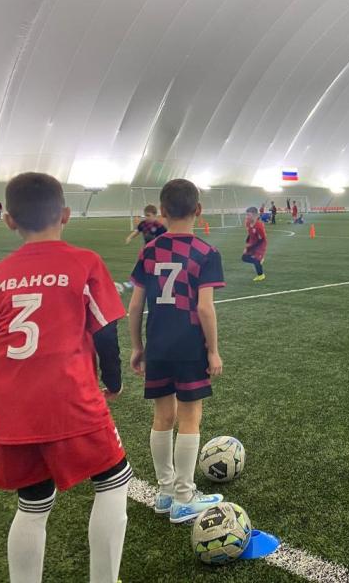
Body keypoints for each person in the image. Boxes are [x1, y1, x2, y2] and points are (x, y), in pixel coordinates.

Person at [0, 172, 130, 582]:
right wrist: (114, 381)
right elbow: (105, 331)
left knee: (32, 501)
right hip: (67, 395)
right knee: (113, 479)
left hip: (8, 404)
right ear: (65, 215)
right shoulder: (84, 262)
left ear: (9, 221)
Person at [128, 178, 225, 524]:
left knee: (162, 417)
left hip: (157, 344)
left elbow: (135, 306)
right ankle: (184, 497)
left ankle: (165, 492)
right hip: (189, 345)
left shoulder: (149, 251)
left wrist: (137, 346)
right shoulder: (206, 252)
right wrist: (213, 350)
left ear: (162, 211)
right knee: (189, 417)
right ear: (198, 209)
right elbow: (205, 308)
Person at [242, 206, 267, 281]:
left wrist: (249, 248)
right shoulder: (247, 222)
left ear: (254, 215)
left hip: (260, 244)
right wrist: (247, 243)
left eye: (249, 215)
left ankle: (261, 275)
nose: (247, 217)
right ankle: (258, 261)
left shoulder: (259, 226)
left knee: (256, 259)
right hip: (252, 242)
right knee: (244, 258)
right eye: (246, 215)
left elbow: (261, 239)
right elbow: (250, 233)